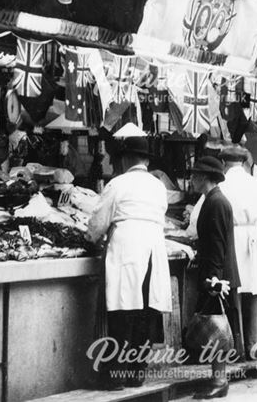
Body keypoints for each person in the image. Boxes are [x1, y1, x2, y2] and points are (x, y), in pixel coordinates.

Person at [86, 137, 172, 390]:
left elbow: (99, 221)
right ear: (146, 160)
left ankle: (114, 376)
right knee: (146, 311)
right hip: (153, 248)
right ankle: (136, 373)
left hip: (127, 247)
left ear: (125, 159)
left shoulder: (118, 183)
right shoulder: (158, 187)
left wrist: (91, 238)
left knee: (123, 311)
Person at [189, 155, 239, 400]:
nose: (191, 179)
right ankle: (217, 377)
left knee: (216, 328)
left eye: (195, 175)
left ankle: (220, 380)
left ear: (204, 177)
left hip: (217, 276)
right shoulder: (213, 200)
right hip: (216, 272)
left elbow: (218, 244)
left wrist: (214, 280)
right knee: (213, 329)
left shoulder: (216, 202)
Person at [218, 145, 257, 358]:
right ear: (243, 162)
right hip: (254, 237)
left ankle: (236, 348)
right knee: (254, 294)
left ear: (224, 163)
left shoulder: (222, 185)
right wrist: (256, 233)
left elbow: (204, 215)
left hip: (233, 239)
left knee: (234, 294)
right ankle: (252, 346)